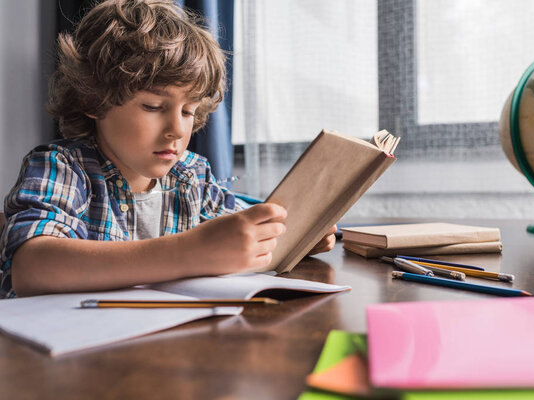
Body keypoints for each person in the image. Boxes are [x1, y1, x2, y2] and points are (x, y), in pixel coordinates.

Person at [0, 0, 336, 298]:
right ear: (93, 100)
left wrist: (290, 237)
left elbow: (236, 241)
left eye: (188, 111)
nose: (177, 129)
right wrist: (188, 252)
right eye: (153, 106)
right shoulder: (62, 167)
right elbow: (32, 268)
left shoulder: (192, 174)